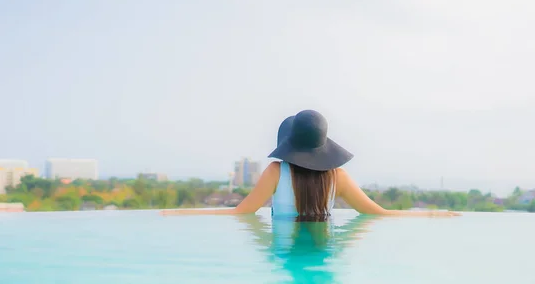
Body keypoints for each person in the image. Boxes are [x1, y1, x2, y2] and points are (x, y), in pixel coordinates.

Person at [161, 109, 460, 218]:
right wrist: (431, 214)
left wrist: (183, 212)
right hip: (322, 254)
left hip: (284, 254)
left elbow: (240, 212)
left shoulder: (276, 172)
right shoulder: (337, 177)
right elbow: (379, 213)